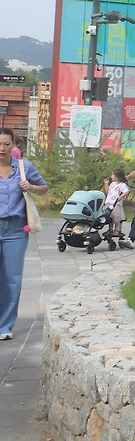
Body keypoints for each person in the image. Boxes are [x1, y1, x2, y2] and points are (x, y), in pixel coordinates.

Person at [0, 128, 49, 341]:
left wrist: (30, 187)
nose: (2, 149)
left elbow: (44, 187)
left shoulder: (23, 167)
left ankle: (4, 326)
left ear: (14, 145)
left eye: (6, 144)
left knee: (12, 278)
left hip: (16, 230)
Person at [103, 169, 129, 245]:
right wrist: (106, 184)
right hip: (109, 202)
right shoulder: (113, 184)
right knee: (110, 217)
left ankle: (117, 230)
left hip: (116, 203)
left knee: (116, 218)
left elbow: (126, 191)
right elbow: (108, 191)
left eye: (113, 175)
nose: (111, 176)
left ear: (117, 176)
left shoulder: (122, 185)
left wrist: (121, 196)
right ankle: (110, 229)